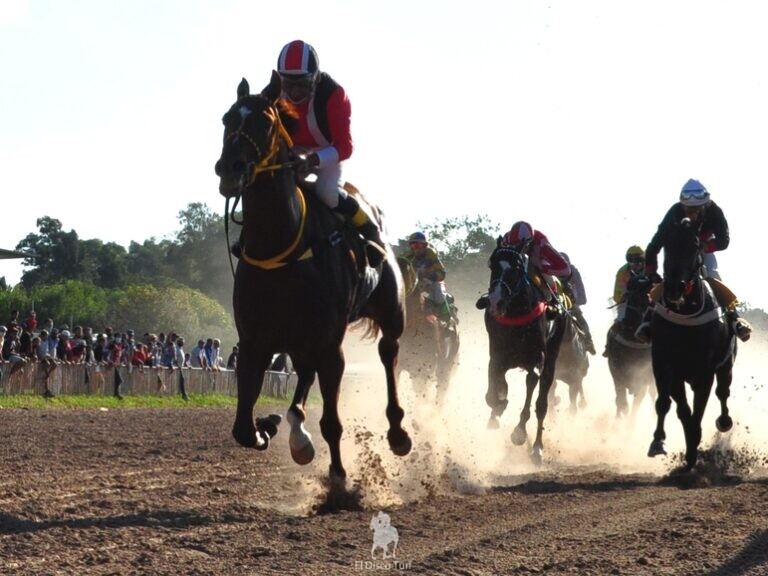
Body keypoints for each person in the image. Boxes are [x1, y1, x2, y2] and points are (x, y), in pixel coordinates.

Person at [274, 39, 386, 266]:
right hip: (291, 151)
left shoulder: (333, 94)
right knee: (270, 187)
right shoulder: (274, 95)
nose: (294, 92)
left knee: (327, 192)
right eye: (288, 84)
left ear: (314, 77)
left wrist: (314, 159)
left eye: (302, 84)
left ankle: (371, 232)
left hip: (328, 151)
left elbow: (345, 146)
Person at [637, 178, 751, 342]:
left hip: (703, 249)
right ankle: (647, 321)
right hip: (679, 252)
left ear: (706, 204)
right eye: (688, 209)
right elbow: (655, 243)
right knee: (670, 278)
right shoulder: (674, 212)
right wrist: (651, 272)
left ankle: (735, 319)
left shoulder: (715, 211)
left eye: (696, 209)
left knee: (712, 274)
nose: (691, 212)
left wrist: (704, 247)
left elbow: (724, 240)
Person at [401, 231, 452, 322]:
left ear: (425, 245)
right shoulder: (407, 256)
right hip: (414, 284)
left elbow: (442, 272)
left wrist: (430, 276)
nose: (416, 249)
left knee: (439, 295)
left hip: (432, 282)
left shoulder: (431, 254)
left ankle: (446, 315)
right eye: (413, 246)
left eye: (418, 245)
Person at [559, 252, 596, 355]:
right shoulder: (551, 271)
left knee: (580, 318)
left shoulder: (573, 272)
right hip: (557, 303)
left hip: (572, 303)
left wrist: (580, 300)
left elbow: (580, 288)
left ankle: (588, 341)